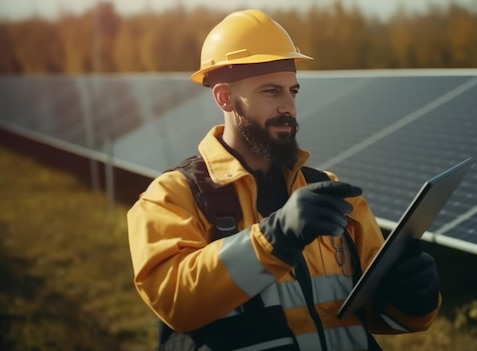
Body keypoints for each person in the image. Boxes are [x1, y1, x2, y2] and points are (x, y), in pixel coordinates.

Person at [127, 9, 441, 351]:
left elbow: (373, 315)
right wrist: (274, 239)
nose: (288, 106)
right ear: (224, 97)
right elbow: (175, 301)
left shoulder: (328, 192)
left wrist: (412, 300)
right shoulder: (173, 195)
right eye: (271, 91)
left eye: (293, 91)